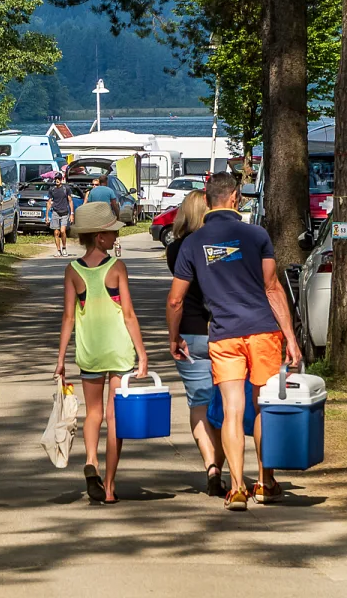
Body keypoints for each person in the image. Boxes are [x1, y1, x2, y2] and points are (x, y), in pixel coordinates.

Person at [167, 172, 303, 511]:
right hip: (262, 331)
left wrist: (174, 338)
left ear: (208, 199)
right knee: (261, 407)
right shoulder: (256, 234)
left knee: (231, 409)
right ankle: (265, 482)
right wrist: (291, 339)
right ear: (234, 197)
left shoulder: (192, 244)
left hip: (224, 334)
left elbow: (175, 300)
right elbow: (273, 288)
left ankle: (238, 488)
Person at [54, 202, 148, 504]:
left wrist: (60, 359)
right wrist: (142, 352)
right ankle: (108, 487)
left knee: (93, 413)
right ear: (98, 237)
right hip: (118, 351)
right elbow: (129, 314)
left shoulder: (72, 271)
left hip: (89, 350)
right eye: (110, 233)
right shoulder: (117, 267)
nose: (115, 237)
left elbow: (68, 317)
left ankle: (91, 461)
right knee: (114, 417)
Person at [163, 190, 224, 496]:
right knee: (226, 403)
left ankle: (211, 466)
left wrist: (172, 337)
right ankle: (225, 467)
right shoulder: (220, 247)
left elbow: (178, 297)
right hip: (223, 330)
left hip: (189, 332)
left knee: (199, 404)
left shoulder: (175, 250)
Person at [45, 177, 74, 257]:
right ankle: (58, 250)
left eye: (59, 179)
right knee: (56, 232)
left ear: (61, 179)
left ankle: (64, 248)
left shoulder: (66, 189)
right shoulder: (52, 189)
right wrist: (47, 216)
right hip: (55, 212)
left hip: (64, 212)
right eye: (56, 179)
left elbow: (70, 201)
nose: (57, 180)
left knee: (63, 231)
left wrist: (72, 214)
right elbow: (49, 202)